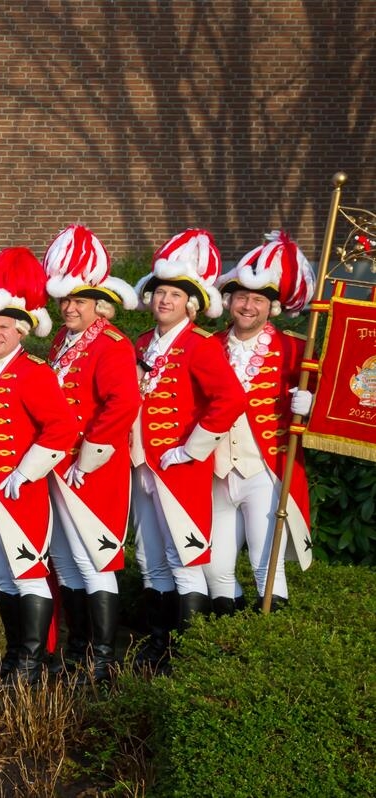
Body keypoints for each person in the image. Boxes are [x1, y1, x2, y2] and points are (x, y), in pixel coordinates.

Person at [0, 248, 79, 683]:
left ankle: (31, 661)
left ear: (21, 330)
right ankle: (14, 656)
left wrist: (25, 472)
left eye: (3, 327)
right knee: (3, 577)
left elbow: (61, 429)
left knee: (28, 573)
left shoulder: (33, 371)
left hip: (15, 491)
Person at [129, 229, 246, 670]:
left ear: (191, 304)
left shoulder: (199, 345)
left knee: (185, 555)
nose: (164, 300)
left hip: (179, 468)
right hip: (142, 466)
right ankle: (159, 641)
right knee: (150, 557)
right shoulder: (142, 343)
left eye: (175, 295)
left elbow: (231, 399)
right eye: (160, 292)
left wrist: (193, 449)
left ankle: (188, 651)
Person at [41, 225, 141, 683]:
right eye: (65, 300)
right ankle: (77, 650)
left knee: (94, 559)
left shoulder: (113, 344)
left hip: (92, 467)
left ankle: (103, 660)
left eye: (79, 300)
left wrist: (89, 457)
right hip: (59, 464)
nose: (70, 308)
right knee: (64, 558)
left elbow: (122, 404)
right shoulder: (62, 340)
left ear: (98, 301)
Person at [207, 231, 316, 612]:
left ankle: (269, 642)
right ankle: (224, 645)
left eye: (257, 299)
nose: (247, 306)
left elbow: (337, 400)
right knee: (213, 568)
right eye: (241, 297)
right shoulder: (208, 347)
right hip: (215, 472)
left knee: (265, 567)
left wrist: (311, 403)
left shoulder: (295, 349)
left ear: (272, 307)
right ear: (229, 300)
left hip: (265, 473)